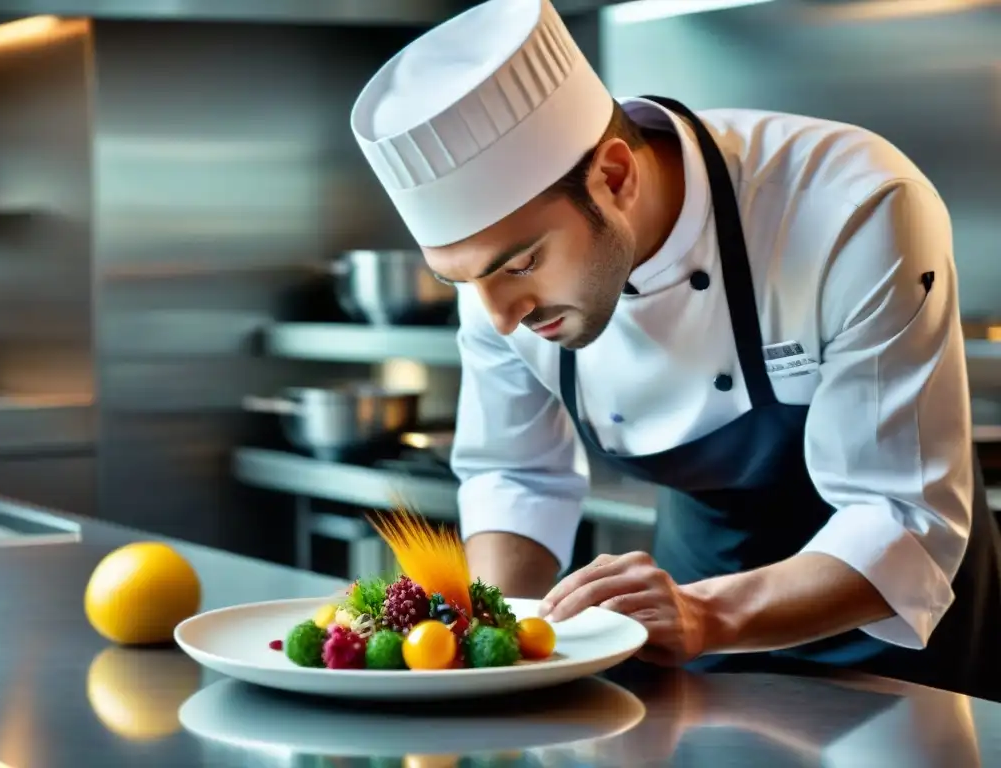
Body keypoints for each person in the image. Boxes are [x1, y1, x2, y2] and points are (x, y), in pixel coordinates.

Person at [350, 0, 1001, 700]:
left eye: (520, 264)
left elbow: (901, 516)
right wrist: (492, 656)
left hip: (897, 650)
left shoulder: (853, 206)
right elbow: (517, 477)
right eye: (462, 279)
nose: (500, 318)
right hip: (693, 622)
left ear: (616, 176)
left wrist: (707, 613)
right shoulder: (495, 276)